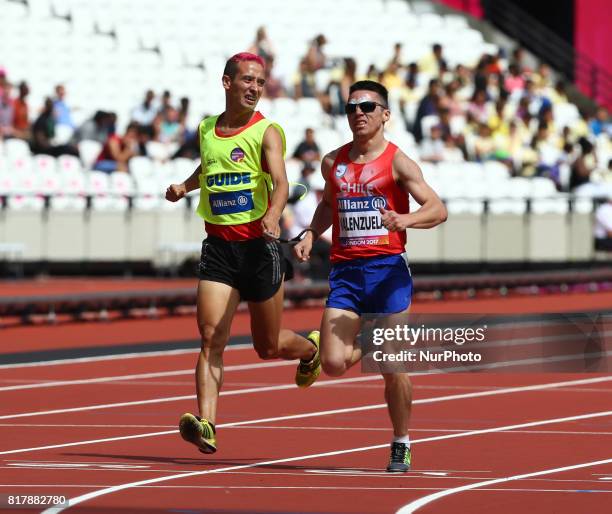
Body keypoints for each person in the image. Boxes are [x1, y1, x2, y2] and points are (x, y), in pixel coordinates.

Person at [165, 52, 321, 455]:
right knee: (210, 337)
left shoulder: (266, 131)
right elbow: (208, 167)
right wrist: (185, 187)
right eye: (247, 80)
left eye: (260, 82)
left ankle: (311, 350)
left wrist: (272, 214)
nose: (254, 88)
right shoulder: (206, 128)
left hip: (258, 249)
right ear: (227, 83)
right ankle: (208, 424)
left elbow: (282, 183)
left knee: (267, 347)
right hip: (218, 248)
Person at [293, 80, 447, 472]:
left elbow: (437, 209)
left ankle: (401, 441)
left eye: (367, 106)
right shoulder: (333, 163)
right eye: (351, 108)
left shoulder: (398, 162)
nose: (358, 114)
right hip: (346, 272)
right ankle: (366, 338)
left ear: (385, 115)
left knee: (393, 365)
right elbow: (329, 205)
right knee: (331, 363)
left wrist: (406, 218)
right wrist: (312, 232)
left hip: (388, 270)